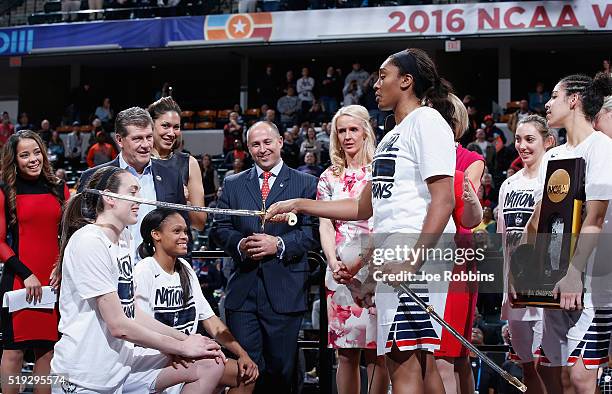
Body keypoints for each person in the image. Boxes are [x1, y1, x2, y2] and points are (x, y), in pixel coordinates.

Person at [266, 48, 458, 394]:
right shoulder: (392, 135)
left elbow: (444, 200)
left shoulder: (427, 122)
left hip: (415, 253)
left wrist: (412, 262)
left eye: (384, 76)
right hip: (394, 253)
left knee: (403, 361)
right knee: (420, 359)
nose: (376, 84)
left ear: (406, 81)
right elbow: (362, 207)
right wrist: (302, 204)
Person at [51, 167, 226, 393]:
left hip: (119, 368)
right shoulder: (89, 241)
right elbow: (119, 326)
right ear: (109, 197)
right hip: (85, 376)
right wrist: (182, 347)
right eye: (132, 192)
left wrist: (186, 340)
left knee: (209, 362)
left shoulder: (123, 237)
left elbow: (131, 312)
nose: (140, 200)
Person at [210, 121, 318, 393]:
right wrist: (240, 243)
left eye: (267, 142)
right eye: (255, 144)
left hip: (285, 291)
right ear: (248, 148)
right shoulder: (233, 183)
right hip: (242, 292)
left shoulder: (306, 183)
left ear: (280, 142)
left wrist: (279, 244)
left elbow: (312, 233)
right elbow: (220, 229)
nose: (262, 149)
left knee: (281, 371)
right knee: (247, 370)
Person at [525, 72, 612, 394]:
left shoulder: (601, 147)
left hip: (594, 283)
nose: (546, 104)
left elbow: (596, 217)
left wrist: (575, 273)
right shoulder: (554, 155)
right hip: (554, 281)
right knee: (556, 377)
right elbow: (537, 218)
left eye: (554, 96)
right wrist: (522, 271)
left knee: (581, 377)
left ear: (573, 100)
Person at [134, 208, 259, 393]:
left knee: (245, 375)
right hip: (157, 358)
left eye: (185, 231)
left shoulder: (185, 268)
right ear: (156, 235)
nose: (185, 236)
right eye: (177, 231)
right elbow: (141, 327)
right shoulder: (144, 270)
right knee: (211, 364)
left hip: (188, 353)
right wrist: (180, 348)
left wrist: (242, 354)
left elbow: (211, 321)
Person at [317, 105, 389, 394]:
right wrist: (333, 261)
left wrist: (360, 263)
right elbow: (325, 225)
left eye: (353, 129)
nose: (347, 136)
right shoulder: (328, 177)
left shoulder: (380, 172)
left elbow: (384, 223)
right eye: (342, 131)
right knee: (345, 354)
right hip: (339, 272)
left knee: (377, 354)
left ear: (365, 132)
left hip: (376, 269)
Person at [0, 130, 70, 394]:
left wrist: (61, 266)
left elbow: (68, 234)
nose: (33, 159)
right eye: (24, 154)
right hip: (20, 279)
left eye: (36, 152)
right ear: (14, 159)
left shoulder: (59, 187)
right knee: (13, 353)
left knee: (47, 351)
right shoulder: (6, 190)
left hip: (53, 280)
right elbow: (0, 242)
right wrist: (26, 273)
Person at [77, 107, 187, 260]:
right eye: (137, 139)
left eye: (149, 137)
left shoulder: (171, 175)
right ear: (119, 140)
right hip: (109, 269)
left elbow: (182, 226)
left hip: (158, 272)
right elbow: (79, 228)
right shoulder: (94, 178)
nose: (146, 145)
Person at [497, 115, 555, 394]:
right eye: (518, 139)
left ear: (548, 142)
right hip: (514, 287)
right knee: (527, 364)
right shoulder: (508, 185)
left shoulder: (556, 182)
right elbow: (503, 239)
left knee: (548, 364)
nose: (522, 146)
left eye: (530, 139)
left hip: (544, 286)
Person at [149, 97, 206, 231]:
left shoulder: (188, 163)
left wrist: (183, 200)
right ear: (150, 125)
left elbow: (200, 223)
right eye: (165, 126)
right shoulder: (139, 162)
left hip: (179, 247)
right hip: (144, 247)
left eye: (176, 127)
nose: (171, 133)